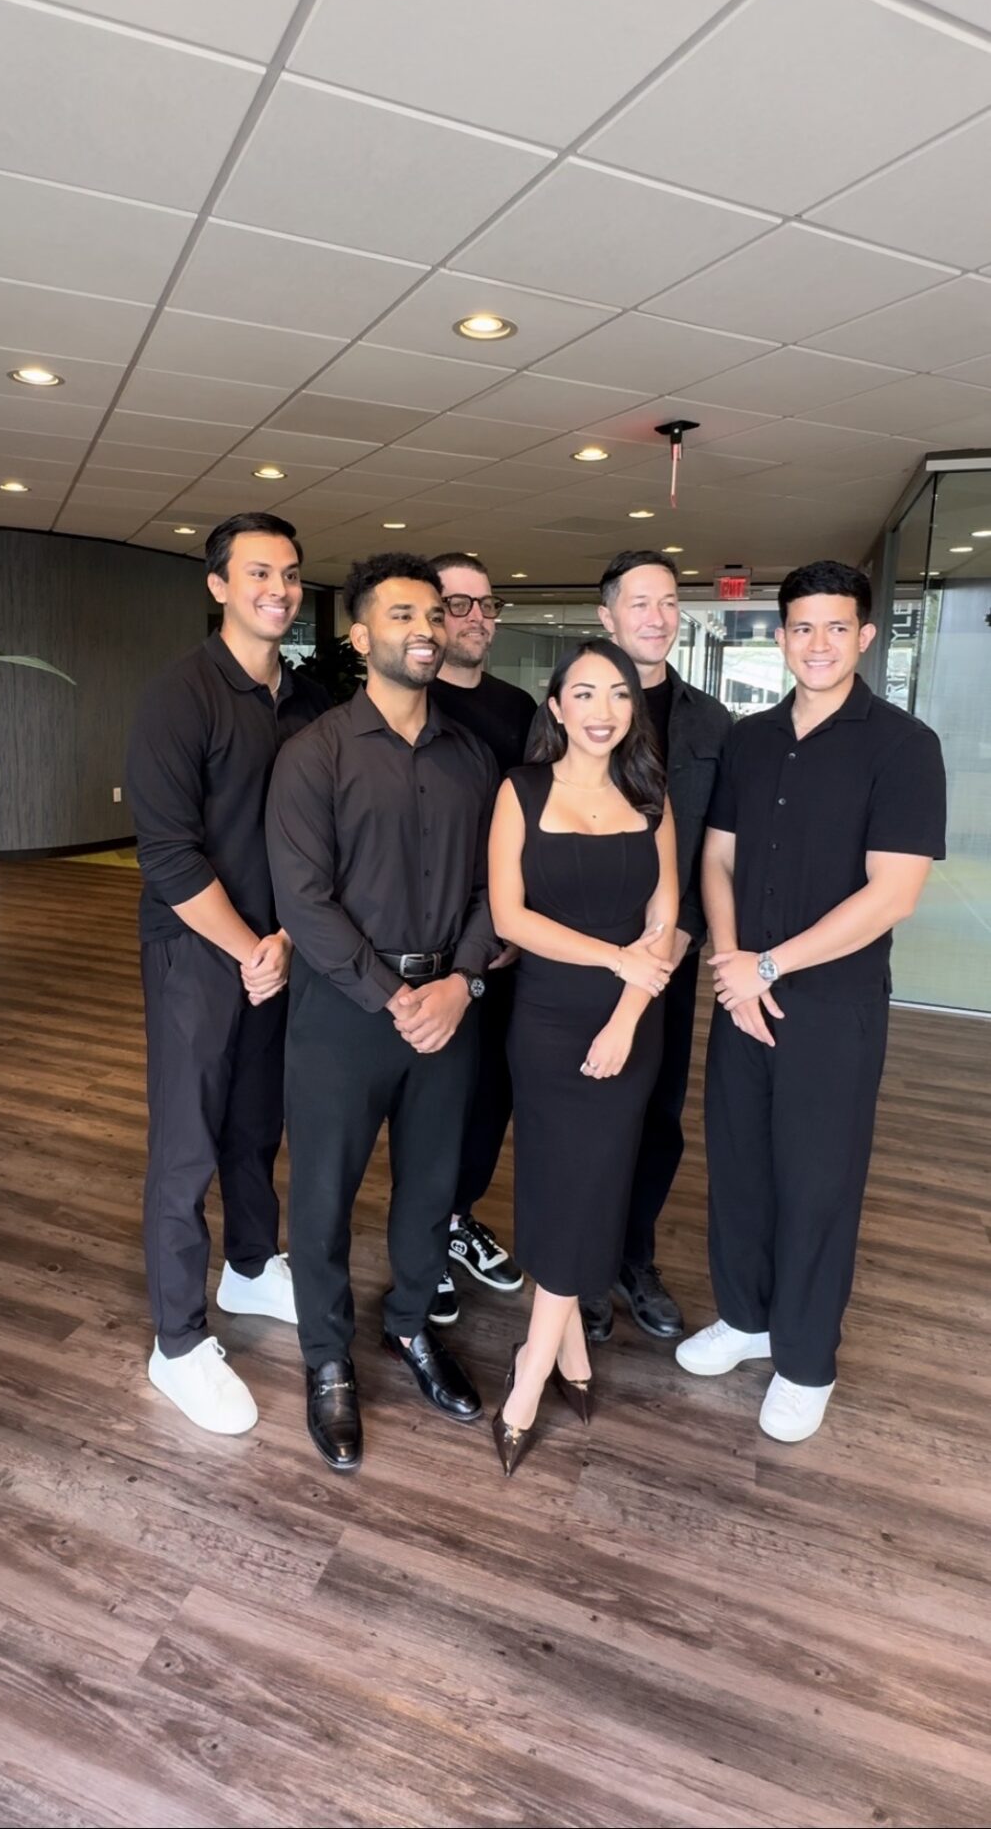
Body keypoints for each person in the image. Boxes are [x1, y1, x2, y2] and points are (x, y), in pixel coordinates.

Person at [679, 560, 946, 1443]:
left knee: (816, 1183)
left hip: (831, 1007)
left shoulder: (903, 747)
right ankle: (747, 1319)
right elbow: (715, 859)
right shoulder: (750, 741)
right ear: (781, 635)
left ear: (864, 636)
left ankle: (803, 1360)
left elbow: (891, 894)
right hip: (740, 996)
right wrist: (729, 965)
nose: (819, 644)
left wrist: (765, 968)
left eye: (836, 628)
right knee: (740, 1169)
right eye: (802, 628)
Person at [266, 552, 498, 1474]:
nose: (426, 629)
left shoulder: (473, 757)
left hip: (448, 1008)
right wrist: (392, 995)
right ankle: (326, 1359)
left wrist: (463, 981)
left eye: (435, 614)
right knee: (321, 1196)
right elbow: (302, 899)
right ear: (360, 637)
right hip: (344, 1014)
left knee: (430, 1190)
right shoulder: (312, 754)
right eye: (402, 614)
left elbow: (496, 887)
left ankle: (409, 1325)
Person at [126, 513, 328, 1436]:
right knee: (187, 1148)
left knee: (256, 1125)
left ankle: (251, 1267)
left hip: (273, 953)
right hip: (199, 955)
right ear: (217, 586)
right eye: (257, 573)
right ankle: (177, 1341)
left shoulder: (303, 697)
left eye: (288, 574)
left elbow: (313, 835)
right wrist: (252, 945)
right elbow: (168, 857)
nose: (277, 589)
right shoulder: (181, 695)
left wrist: (283, 939)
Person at [486, 640, 679, 1475]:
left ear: (632, 710)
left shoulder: (650, 795)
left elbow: (663, 921)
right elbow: (509, 918)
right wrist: (612, 963)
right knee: (555, 1178)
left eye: (618, 695)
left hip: (629, 1023)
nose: (602, 710)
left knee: (596, 1179)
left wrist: (630, 1011)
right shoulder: (519, 791)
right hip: (549, 1019)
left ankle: (535, 1363)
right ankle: (563, 1353)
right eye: (584, 694)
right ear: (556, 708)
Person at [579, 550, 731, 1346]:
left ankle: (632, 1256)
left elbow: (718, 846)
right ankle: (583, 1264)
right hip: (583, 955)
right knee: (589, 1113)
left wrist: (681, 940)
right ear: (606, 618)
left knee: (657, 1115)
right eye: (638, 602)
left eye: (669, 601)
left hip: (669, 958)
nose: (656, 615)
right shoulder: (575, 708)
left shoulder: (711, 723)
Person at [425, 552, 537, 1326]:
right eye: (455, 605)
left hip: (504, 940)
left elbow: (538, 820)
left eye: (484, 604)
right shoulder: (410, 700)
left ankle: (455, 1217)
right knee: (429, 1099)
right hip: (426, 941)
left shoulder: (520, 707)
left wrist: (520, 925)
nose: (475, 618)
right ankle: (420, 1237)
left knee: (487, 1096)